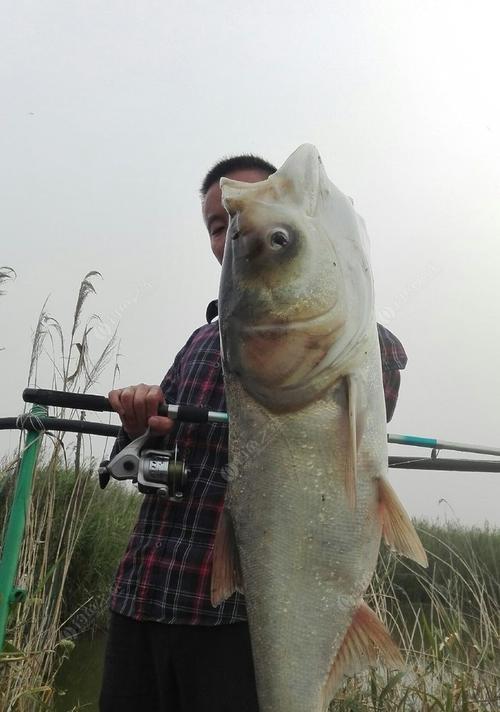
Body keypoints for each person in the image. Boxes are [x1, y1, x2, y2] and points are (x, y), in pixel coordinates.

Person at [99, 154, 408, 712]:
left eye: (241, 218)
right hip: (143, 593)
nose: (230, 232)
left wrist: (329, 280)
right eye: (218, 226)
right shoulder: (199, 342)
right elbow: (138, 465)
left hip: (240, 621)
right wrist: (139, 427)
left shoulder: (348, 340)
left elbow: (380, 369)